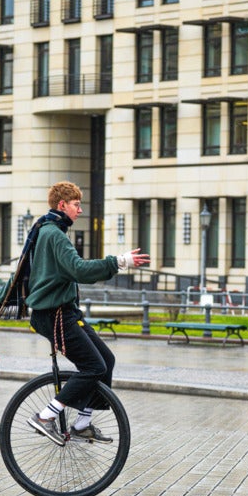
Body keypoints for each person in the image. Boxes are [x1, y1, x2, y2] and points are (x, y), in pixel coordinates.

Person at [20, 181, 148, 442]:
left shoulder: (47, 231)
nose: (80, 211)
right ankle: (45, 416)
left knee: (106, 362)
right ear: (62, 205)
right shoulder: (54, 234)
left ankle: (82, 424)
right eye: (77, 205)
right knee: (92, 366)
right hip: (54, 314)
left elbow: (27, 273)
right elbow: (78, 269)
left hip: (64, 313)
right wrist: (119, 261)